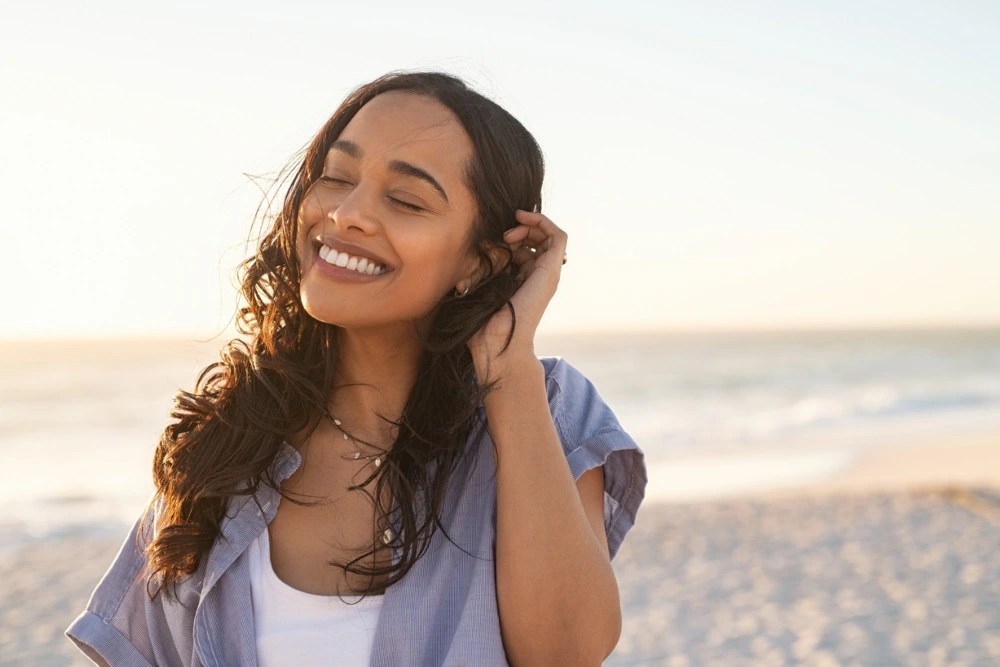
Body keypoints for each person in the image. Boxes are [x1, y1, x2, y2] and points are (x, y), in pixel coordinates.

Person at [65, 70, 647, 667]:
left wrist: (508, 370)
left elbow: (567, 653)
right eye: (337, 178)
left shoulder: (544, 407)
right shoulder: (225, 444)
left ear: (479, 260)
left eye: (405, 200)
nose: (347, 214)